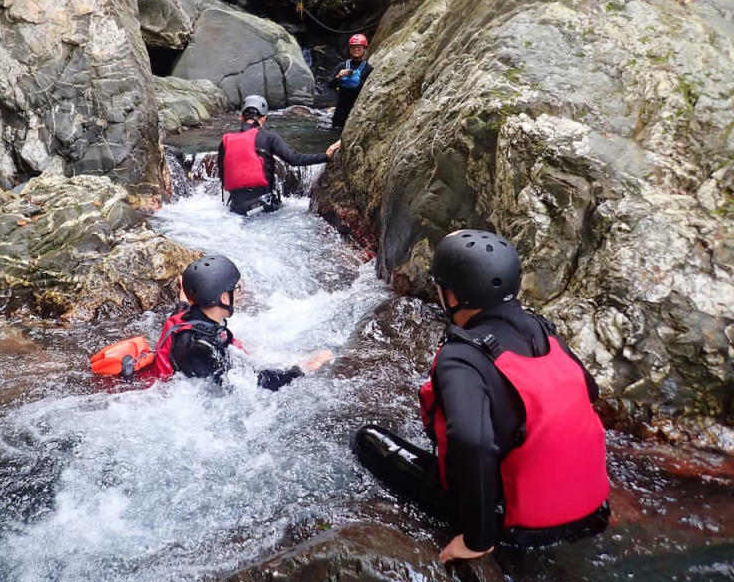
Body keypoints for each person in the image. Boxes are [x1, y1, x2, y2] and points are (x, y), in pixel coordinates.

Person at [353, 229, 609, 563]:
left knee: (366, 438)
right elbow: (590, 390)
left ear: (454, 297)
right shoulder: (543, 330)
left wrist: (476, 538)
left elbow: (472, 442)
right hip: (593, 514)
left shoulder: (460, 357)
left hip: (514, 525)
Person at [152, 255, 331, 389]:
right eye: (235, 289)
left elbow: (182, 306)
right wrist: (301, 370)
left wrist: (186, 292)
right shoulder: (203, 346)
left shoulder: (183, 317)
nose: (238, 293)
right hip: (171, 395)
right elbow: (254, 382)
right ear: (223, 297)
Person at [218, 94, 341, 216]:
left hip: (236, 208)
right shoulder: (269, 137)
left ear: (241, 117)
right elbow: (294, 159)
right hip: (264, 207)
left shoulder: (226, 141)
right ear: (264, 119)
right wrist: (325, 156)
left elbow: (223, 176)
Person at [327, 33, 373, 128]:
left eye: (359, 47)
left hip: (357, 110)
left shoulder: (368, 69)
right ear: (349, 49)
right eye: (353, 47)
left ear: (364, 49)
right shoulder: (342, 66)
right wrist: (338, 77)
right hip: (340, 110)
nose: (356, 49)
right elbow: (329, 85)